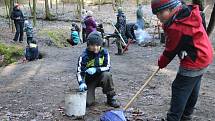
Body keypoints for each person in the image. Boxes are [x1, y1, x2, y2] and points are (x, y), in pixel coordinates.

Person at [151, 0, 213, 121]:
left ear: (170, 8)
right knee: (193, 85)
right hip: (205, 55)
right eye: (156, 14)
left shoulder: (177, 27)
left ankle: (173, 118)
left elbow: (170, 50)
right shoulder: (186, 12)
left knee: (179, 88)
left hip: (194, 60)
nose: (158, 17)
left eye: (160, 12)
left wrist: (161, 63)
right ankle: (186, 116)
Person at [76, 32, 120, 108]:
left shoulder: (104, 52)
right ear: (88, 45)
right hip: (89, 80)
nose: (95, 48)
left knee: (107, 75)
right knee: (88, 103)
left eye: (97, 45)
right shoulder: (84, 56)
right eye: (92, 45)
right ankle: (88, 94)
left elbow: (108, 67)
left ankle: (111, 98)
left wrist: (96, 69)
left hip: (101, 77)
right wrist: (81, 83)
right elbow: (80, 72)